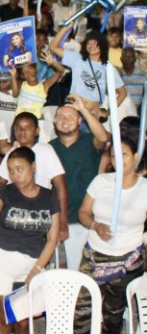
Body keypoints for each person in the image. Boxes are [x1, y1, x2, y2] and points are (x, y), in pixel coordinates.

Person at [0, 147, 60, 334]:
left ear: (33, 167)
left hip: (33, 265)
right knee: (5, 323)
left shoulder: (49, 197)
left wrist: (36, 269)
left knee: (24, 325)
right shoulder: (5, 192)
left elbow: (52, 238)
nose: (15, 175)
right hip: (2, 264)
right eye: (11, 170)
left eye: (20, 169)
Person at [76, 138, 147, 334]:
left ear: (136, 157)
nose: (118, 160)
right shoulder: (101, 181)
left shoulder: (145, 188)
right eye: (114, 155)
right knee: (81, 313)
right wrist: (95, 225)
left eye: (123, 154)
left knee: (113, 316)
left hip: (127, 261)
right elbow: (83, 213)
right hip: (94, 257)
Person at [49, 97, 108, 271]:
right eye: (61, 117)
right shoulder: (49, 147)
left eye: (71, 117)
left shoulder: (89, 141)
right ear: (54, 120)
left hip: (90, 220)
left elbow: (103, 137)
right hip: (63, 223)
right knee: (65, 271)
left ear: (80, 121)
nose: (65, 121)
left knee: (91, 271)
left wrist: (83, 109)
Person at [0, 112, 69, 241]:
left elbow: (60, 185)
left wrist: (62, 221)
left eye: (27, 128)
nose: (22, 131)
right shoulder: (12, 153)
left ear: (36, 131)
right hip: (14, 210)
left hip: (39, 211)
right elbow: (0, 182)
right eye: (18, 127)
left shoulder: (46, 150)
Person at [50, 26, 127, 115]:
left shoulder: (108, 68)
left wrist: (108, 112)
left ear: (102, 45)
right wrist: (66, 28)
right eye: (89, 43)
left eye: (95, 43)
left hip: (92, 113)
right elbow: (53, 46)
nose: (91, 45)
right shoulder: (77, 59)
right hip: (74, 109)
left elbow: (123, 93)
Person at [11, 51, 65, 119]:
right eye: (25, 72)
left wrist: (53, 62)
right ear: (22, 76)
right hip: (20, 119)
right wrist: (13, 76)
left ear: (36, 69)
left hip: (36, 121)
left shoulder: (44, 86)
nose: (29, 73)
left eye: (31, 69)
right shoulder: (21, 84)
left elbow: (61, 71)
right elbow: (15, 94)